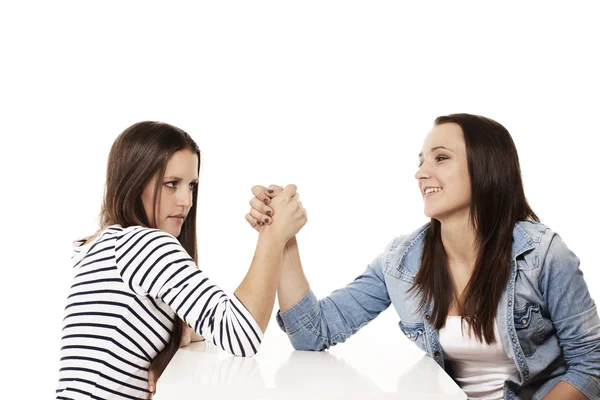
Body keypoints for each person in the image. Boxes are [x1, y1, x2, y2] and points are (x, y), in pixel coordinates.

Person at [245, 114, 600, 399]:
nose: (421, 173)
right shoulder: (401, 261)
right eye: (421, 161)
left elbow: (590, 365)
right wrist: (282, 240)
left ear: (486, 168)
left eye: (441, 158)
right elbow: (313, 334)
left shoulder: (542, 254)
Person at [56, 121, 307, 400]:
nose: (186, 200)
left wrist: (178, 331)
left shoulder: (103, 244)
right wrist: (274, 235)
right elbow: (241, 333)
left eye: (191, 186)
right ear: (133, 182)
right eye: (171, 184)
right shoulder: (144, 245)